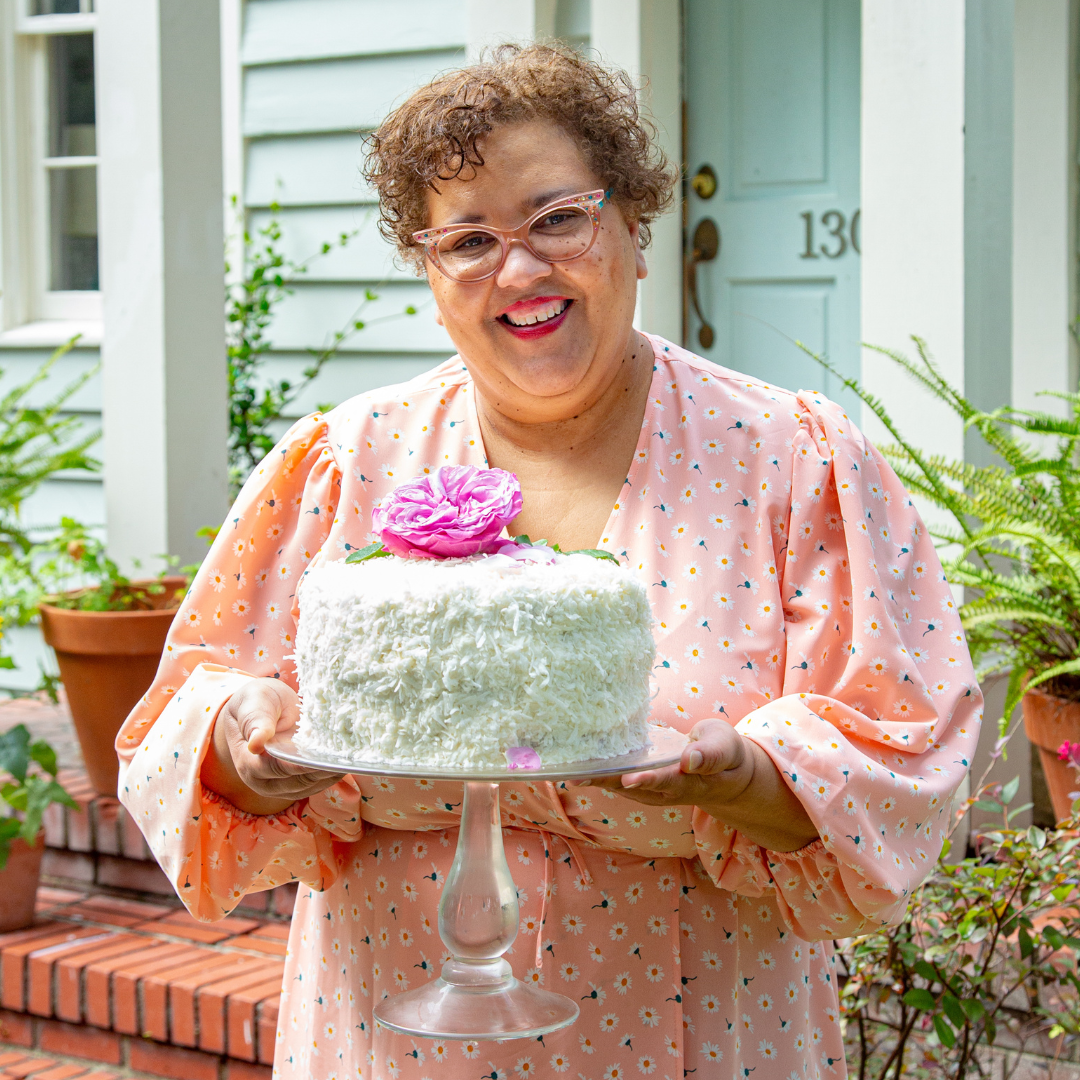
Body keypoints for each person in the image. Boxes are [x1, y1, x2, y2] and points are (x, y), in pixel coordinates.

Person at [118, 43, 981, 1080]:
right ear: (430, 273)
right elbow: (183, 722)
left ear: (633, 227)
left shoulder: (790, 460)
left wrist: (744, 777)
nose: (519, 270)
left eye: (557, 219)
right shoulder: (347, 461)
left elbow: (903, 751)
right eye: (469, 239)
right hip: (400, 1034)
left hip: (698, 1028)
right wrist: (238, 743)